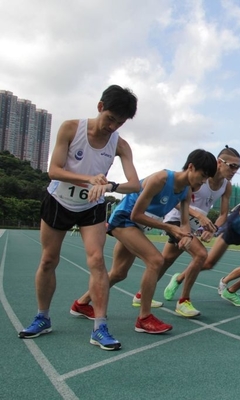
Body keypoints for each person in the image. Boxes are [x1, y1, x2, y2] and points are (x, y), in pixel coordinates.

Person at [18, 85, 139, 351]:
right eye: (110, 118)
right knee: (49, 259)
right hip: (58, 201)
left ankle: (100, 327)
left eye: (119, 123)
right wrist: (89, 179)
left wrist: (110, 186)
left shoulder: (120, 145)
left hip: (91, 207)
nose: (112, 126)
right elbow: (54, 170)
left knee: (97, 261)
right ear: (99, 107)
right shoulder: (71, 128)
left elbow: (135, 184)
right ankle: (42, 317)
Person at [71, 149, 217, 333]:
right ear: (191, 167)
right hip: (124, 219)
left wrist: (186, 237)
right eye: (202, 176)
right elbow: (136, 214)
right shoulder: (161, 179)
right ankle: (144, 318)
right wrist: (170, 228)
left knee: (118, 273)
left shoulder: (186, 192)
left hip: (137, 226)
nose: (203, 182)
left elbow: (185, 223)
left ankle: (81, 303)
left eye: (206, 179)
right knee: (155, 260)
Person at [158, 146, 240, 313]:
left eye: (238, 167)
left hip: (192, 226)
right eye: (232, 166)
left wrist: (213, 229)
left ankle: (140, 295)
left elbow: (224, 214)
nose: (235, 171)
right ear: (219, 162)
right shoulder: (199, 176)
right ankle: (183, 301)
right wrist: (199, 216)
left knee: (164, 261)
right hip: (177, 220)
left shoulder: (227, 186)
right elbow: (177, 200)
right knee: (201, 254)